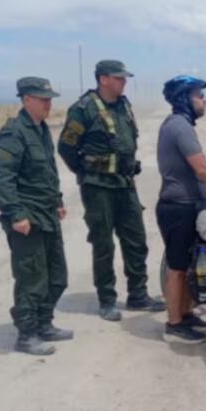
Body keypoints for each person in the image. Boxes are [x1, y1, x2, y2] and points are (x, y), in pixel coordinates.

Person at [58, 60, 164, 322]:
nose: (123, 82)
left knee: (136, 239)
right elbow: (66, 147)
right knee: (103, 244)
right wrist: (86, 173)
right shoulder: (83, 110)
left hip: (125, 184)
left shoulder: (124, 105)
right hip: (98, 188)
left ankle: (138, 294)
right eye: (118, 78)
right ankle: (107, 300)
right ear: (103, 79)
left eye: (124, 78)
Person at [0, 77, 72, 355]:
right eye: (43, 99)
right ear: (26, 100)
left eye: (50, 98)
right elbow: (2, 178)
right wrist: (15, 214)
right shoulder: (14, 133)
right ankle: (26, 334)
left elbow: (48, 171)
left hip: (47, 213)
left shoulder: (41, 130)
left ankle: (44, 324)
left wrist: (58, 200)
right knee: (31, 278)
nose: (48, 103)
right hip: (28, 218)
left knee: (57, 276)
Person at [156, 75, 206, 344]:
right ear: (184, 98)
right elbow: (201, 168)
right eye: (198, 95)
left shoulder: (181, 125)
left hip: (186, 205)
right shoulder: (179, 127)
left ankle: (185, 315)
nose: (203, 99)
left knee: (186, 265)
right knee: (176, 267)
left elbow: (202, 168)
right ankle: (174, 324)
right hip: (178, 207)